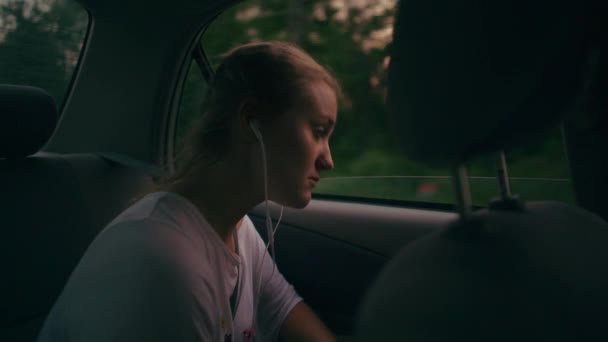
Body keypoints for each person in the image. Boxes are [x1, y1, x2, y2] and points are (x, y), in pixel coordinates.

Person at [37, 41, 340, 342]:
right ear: (251, 121)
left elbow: (285, 312)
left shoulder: (238, 231)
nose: (328, 160)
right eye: (318, 132)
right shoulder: (162, 264)